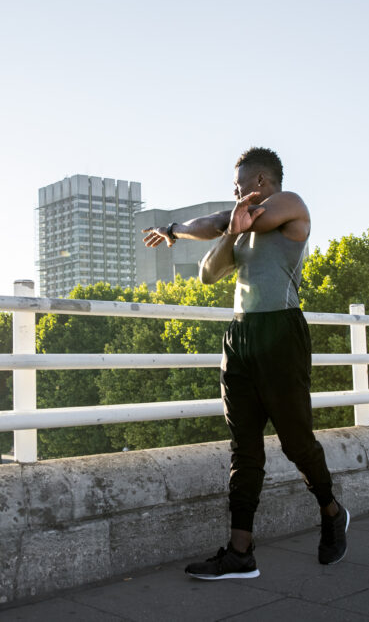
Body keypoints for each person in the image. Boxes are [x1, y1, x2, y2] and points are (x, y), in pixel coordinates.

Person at [142, 147, 349, 580]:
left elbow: (230, 218)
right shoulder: (239, 227)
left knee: (296, 442)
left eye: (238, 186)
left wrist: (225, 222)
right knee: (244, 447)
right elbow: (207, 273)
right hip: (239, 337)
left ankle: (331, 511)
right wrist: (178, 230)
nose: (233, 194)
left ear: (260, 183)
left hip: (281, 332)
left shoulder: (292, 204)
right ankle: (240, 553)